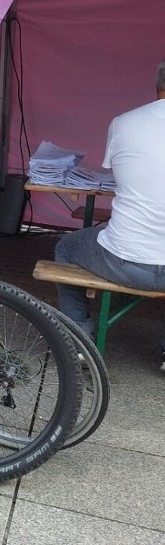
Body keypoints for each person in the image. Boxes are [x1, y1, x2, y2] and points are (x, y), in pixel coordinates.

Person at [54, 61, 165, 369]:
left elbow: (120, 173)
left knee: (65, 246)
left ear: (157, 88)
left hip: (125, 260)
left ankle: (78, 339)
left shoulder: (125, 122)